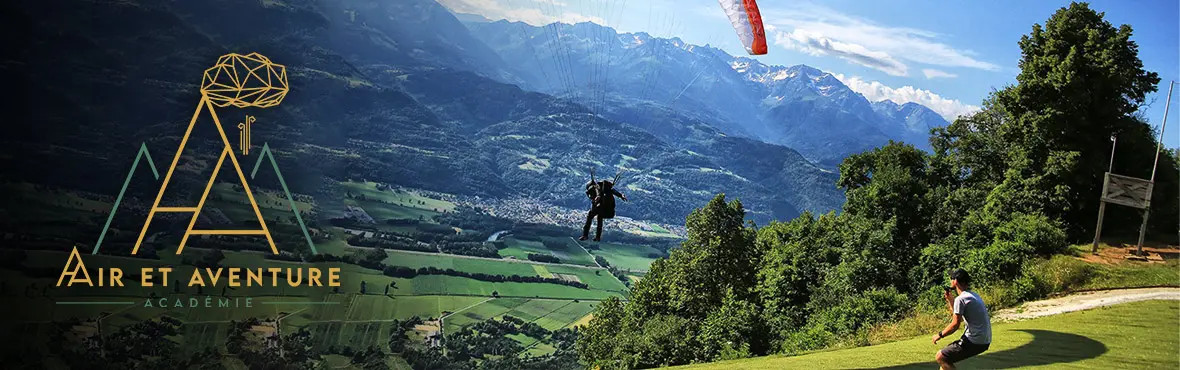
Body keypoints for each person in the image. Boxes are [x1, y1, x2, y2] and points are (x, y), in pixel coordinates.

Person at [932, 269, 992, 369]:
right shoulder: (972, 295)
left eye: (951, 278)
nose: (950, 280)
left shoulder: (961, 299)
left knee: (941, 356)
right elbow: (958, 317)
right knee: (946, 358)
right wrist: (950, 300)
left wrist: (939, 335)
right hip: (984, 340)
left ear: (955, 281)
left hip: (975, 340)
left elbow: (955, 325)